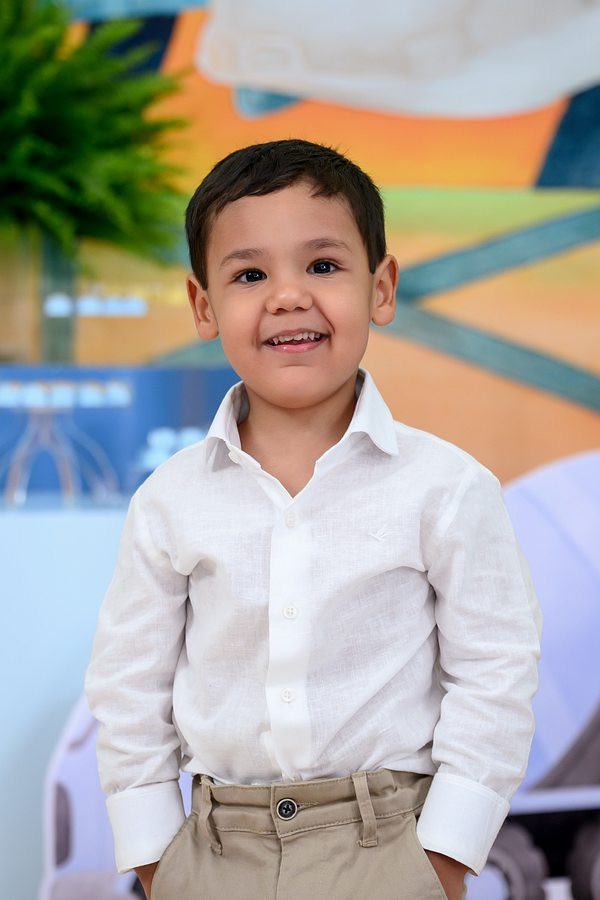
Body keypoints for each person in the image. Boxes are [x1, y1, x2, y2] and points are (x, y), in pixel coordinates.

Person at [85, 138, 542, 900]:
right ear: (203, 306)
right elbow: (129, 684)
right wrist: (156, 860)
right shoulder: (170, 500)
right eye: (250, 274)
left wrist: (446, 855)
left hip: (390, 842)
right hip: (213, 850)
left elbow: (496, 668)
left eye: (323, 266)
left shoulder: (446, 486)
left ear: (381, 289)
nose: (288, 296)